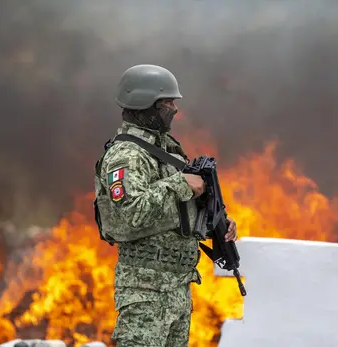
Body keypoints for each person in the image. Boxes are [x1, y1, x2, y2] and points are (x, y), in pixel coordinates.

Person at [93, 64, 238, 347]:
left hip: (176, 288)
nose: (174, 109)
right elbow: (131, 214)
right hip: (145, 292)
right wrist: (181, 184)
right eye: (168, 102)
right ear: (147, 105)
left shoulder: (166, 150)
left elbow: (173, 212)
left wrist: (216, 222)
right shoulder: (128, 156)